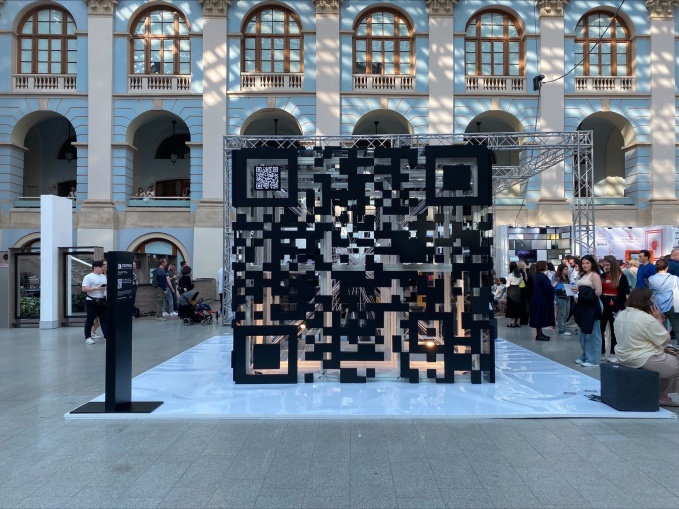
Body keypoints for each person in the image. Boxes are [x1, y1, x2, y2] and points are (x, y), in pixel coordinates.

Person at [614, 288, 679, 407]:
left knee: (670, 359)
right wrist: (658, 320)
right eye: (652, 299)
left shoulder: (621, 314)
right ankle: (662, 395)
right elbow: (665, 339)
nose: (654, 301)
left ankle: (662, 396)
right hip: (643, 358)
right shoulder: (646, 318)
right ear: (646, 301)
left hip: (624, 356)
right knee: (674, 363)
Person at [573, 254, 603, 367]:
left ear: (592, 264)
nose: (585, 265)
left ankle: (594, 359)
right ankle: (586, 355)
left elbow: (598, 291)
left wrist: (582, 290)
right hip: (582, 305)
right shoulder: (582, 275)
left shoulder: (594, 275)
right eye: (583, 263)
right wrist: (578, 294)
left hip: (592, 305)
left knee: (593, 333)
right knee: (582, 333)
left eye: (587, 263)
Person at [599, 255, 630, 363]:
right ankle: (601, 352)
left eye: (608, 265)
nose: (606, 267)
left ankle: (613, 353)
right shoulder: (603, 276)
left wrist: (621, 308)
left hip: (616, 305)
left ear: (613, 265)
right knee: (600, 329)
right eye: (604, 265)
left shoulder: (621, 276)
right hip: (604, 305)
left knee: (614, 331)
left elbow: (624, 294)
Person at [648, 258, 679, 331]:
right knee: (677, 330)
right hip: (672, 305)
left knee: (661, 330)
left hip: (657, 306)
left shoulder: (651, 279)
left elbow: (651, 291)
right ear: (667, 267)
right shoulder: (675, 278)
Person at [82, 260, 108, 345]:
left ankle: (107, 336)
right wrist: (97, 288)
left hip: (102, 300)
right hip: (92, 301)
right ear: (95, 267)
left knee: (104, 319)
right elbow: (84, 289)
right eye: (101, 267)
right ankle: (88, 337)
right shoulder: (88, 277)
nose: (102, 269)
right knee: (90, 319)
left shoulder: (103, 276)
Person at [529, 260, 555, 341]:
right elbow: (548, 288)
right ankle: (539, 335)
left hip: (537, 298)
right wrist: (553, 287)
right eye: (546, 265)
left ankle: (539, 333)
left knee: (538, 316)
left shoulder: (536, 275)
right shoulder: (542, 276)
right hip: (542, 299)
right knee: (540, 316)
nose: (547, 266)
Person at [554, 263, 571, 336]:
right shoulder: (558, 278)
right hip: (561, 297)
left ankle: (563, 327)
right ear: (561, 270)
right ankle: (561, 329)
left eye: (567, 269)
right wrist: (562, 289)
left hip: (567, 296)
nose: (567, 271)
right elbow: (554, 287)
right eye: (565, 269)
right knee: (562, 313)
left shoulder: (567, 278)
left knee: (566, 313)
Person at [505, 262, 524, 328]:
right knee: (518, 306)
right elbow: (521, 284)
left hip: (511, 291)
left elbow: (507, 285)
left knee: (512, 306)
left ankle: (512, 323)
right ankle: (518, 322)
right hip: (518, 290)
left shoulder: (510, 275)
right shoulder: (520, 274)